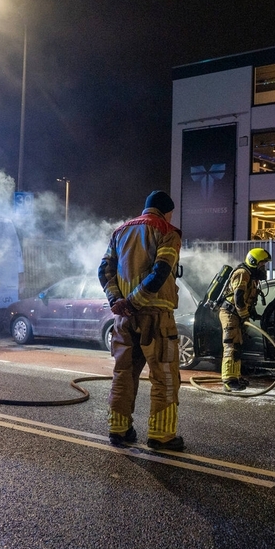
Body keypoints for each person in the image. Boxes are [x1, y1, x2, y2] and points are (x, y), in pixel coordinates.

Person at [98, 190, 184, 450]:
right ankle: (161, 435)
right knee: (165, 376)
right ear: (167, 211)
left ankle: (118, 429)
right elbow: (161, 272)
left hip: (124, 319)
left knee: (123, 373)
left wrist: (118, 302)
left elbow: (104, 270)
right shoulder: (167, 230)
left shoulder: (120, 231)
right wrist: (135, 301)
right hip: (156, 316)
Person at [219, 247, 272, 392]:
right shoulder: (242, 273)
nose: (264, 268)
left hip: (237, 315)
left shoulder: (252, 277)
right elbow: (238, 298)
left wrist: (253, 315)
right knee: (231, 346)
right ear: (254, 262)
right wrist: (244, 315)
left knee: (238, 346)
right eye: (262, 264)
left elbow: (249, 299)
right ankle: (229, 381)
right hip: (230, 314)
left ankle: (236, 376)